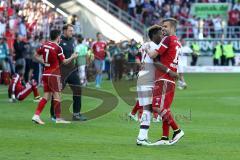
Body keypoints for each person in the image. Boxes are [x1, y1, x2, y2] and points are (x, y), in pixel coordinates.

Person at [147, 18, 184, 145]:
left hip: (164, 78)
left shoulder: (168, 39)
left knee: (158, 107)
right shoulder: (177, 42)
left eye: (165, 26)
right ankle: (164, 138)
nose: (163, 29)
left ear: (173, 28)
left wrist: (147, 48)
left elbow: (153, 55)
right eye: (162, 27)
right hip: (170, 79)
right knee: (165, 109)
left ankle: (177, 130)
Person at [32, 29, 78, 125]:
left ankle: (36, 116)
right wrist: (73, 57)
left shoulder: (44, 45)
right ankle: (58, 118)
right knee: (57, 95)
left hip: (45, 73)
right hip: (54, 74)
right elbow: (64, 61)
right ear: (57, 37)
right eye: (59, 36)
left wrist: (44, 63)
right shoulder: (58, 48)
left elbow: (35, 56)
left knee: (46, 96)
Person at [50, 24, 87, 121]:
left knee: (78, 91)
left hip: (72, 70)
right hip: (61, 71)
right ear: (65, 31)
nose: (72, 32)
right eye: (70, 30)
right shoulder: (58, 41)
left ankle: (76, 114)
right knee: (57, 92)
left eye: (72, 30)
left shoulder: (72, 41)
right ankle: (53, 114)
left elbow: (74, 54)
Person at [136, 24, 163, 145]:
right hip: (147, 78)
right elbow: (156, 61)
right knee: (147, 109)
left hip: (143, 76)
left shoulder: (145, 44)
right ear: (153, 35)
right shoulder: (154, 46)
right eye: (160, 33)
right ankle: (141, 138)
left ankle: (143, 136)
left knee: (148, 108)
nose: (162, 35)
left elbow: (138, 55)